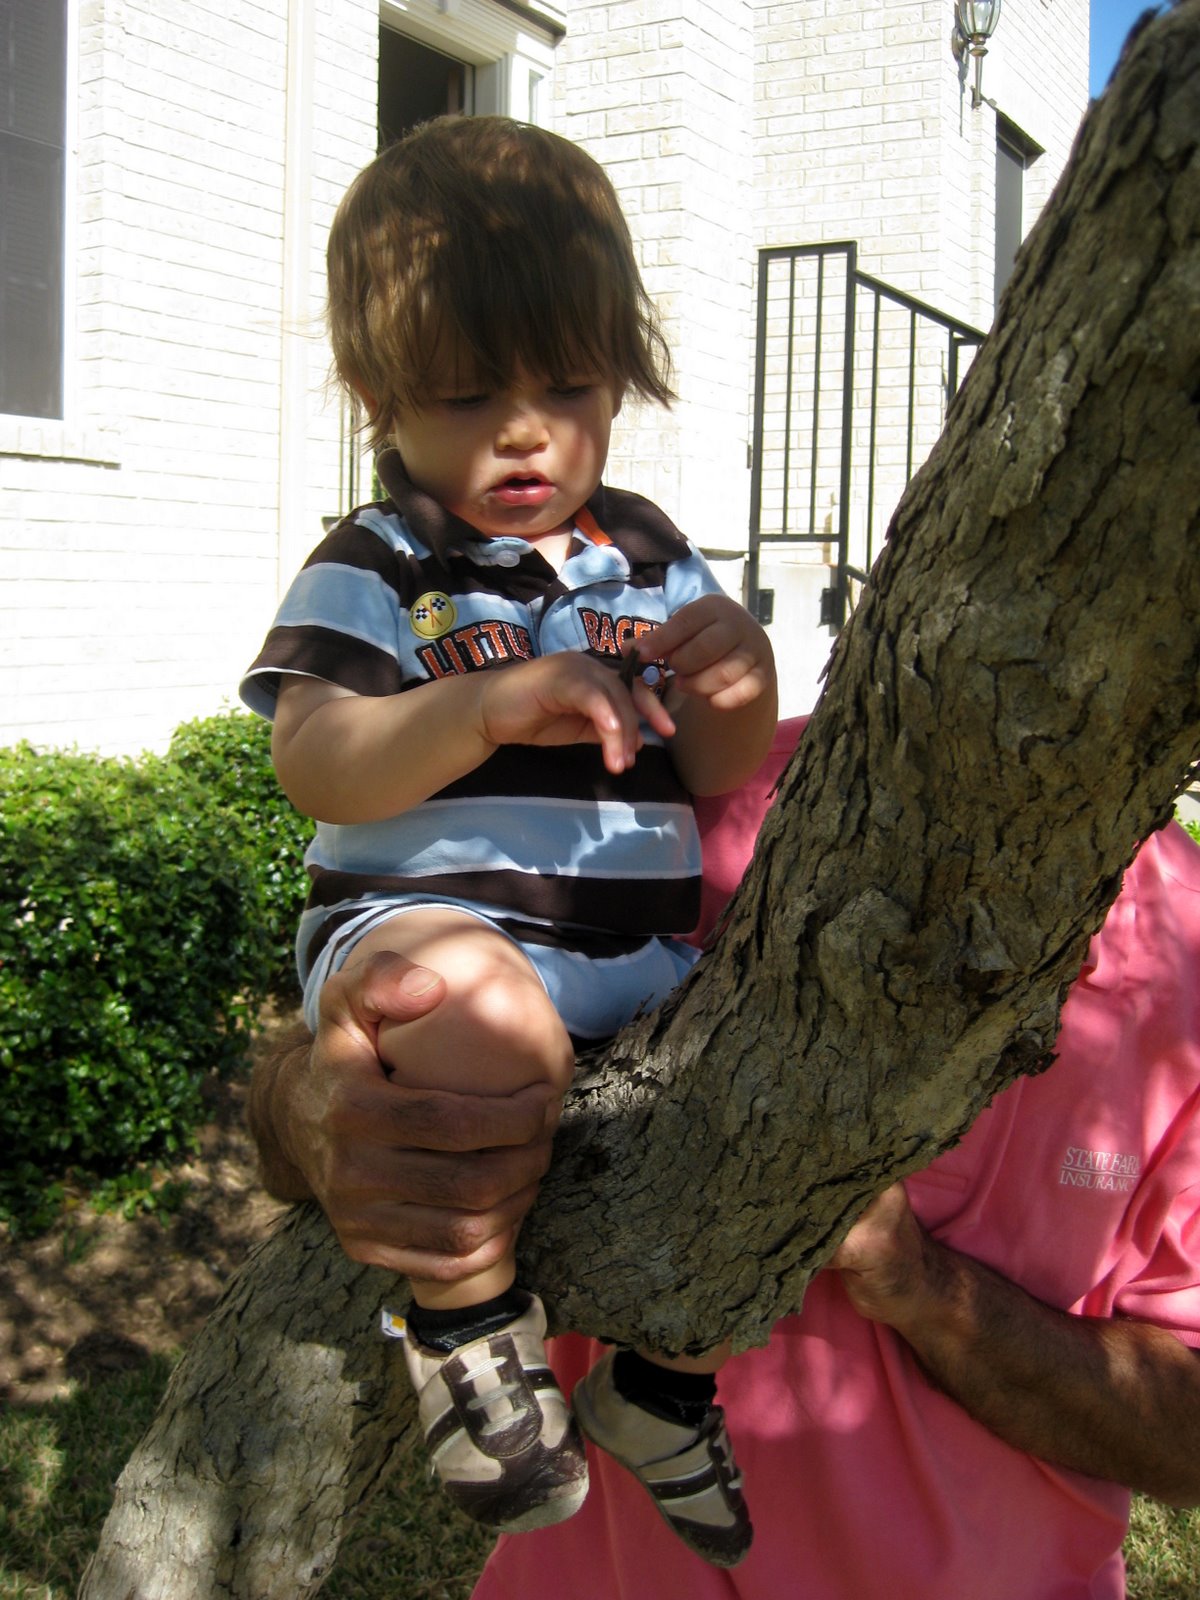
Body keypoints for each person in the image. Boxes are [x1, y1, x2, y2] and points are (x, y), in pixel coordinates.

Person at [249, 717, 1200, 1599]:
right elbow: (413, 998)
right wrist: (305, 1106)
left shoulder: (1188, 955)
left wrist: (923, 1285)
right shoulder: (692, 799)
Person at [240, 114, 776, 1564]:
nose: (527, 429)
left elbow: (715, 767)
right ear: (383, 397)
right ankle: (465, 1328)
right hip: (433, 936)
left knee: (771, 1099)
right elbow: (313, 758)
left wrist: (738, 683)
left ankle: (664, 1389)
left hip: (638, 972)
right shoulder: (382, 560)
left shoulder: (646, 552)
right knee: (475, 1015)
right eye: (473, 392)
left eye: (571, 384)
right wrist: (479, 707)